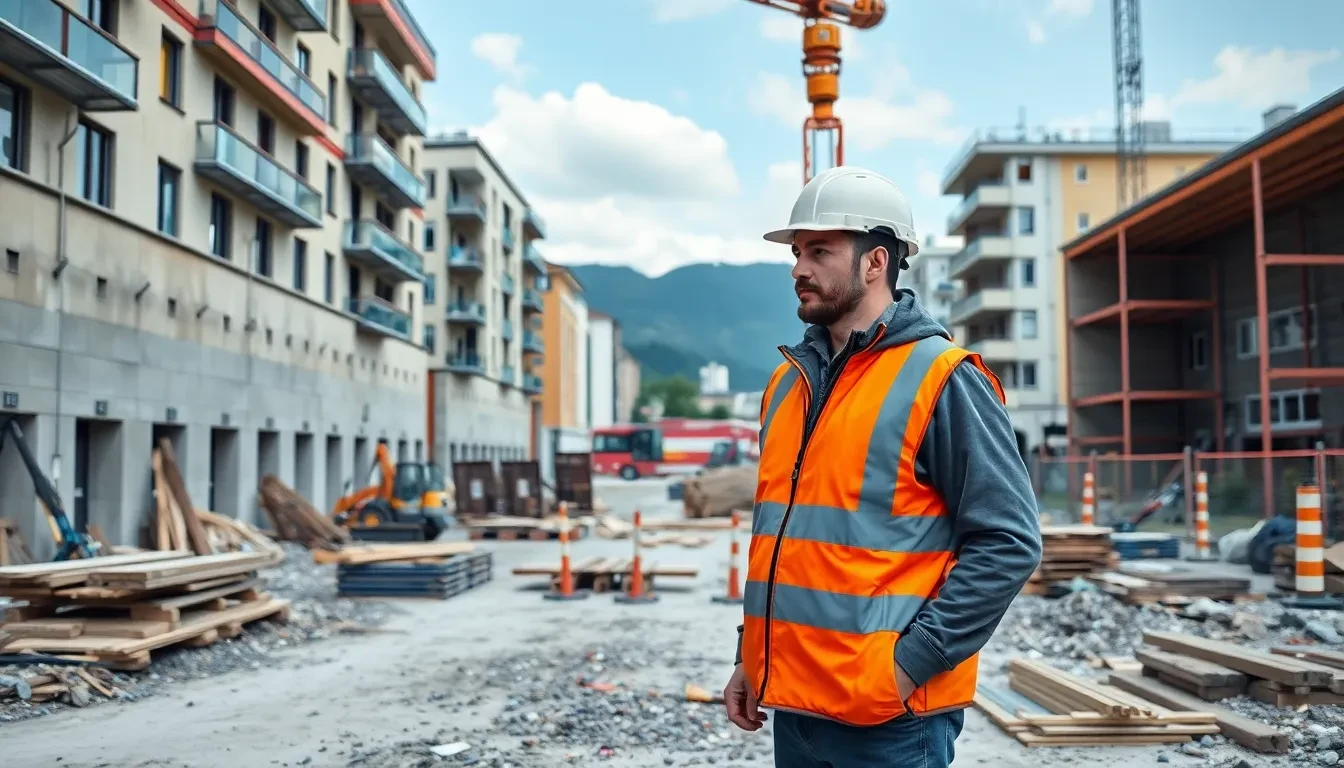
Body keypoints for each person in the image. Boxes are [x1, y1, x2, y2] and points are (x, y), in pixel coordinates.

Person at [721, 166, 1042, 767]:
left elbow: (1009, 542)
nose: (798, 268)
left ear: (875, 262)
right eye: (796, 252)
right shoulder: (786, 386)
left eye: (819, 251)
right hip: (794, 707)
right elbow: (785, 542)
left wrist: (908, 666)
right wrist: (751, 655)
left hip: (889, 722)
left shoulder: (943, 379)